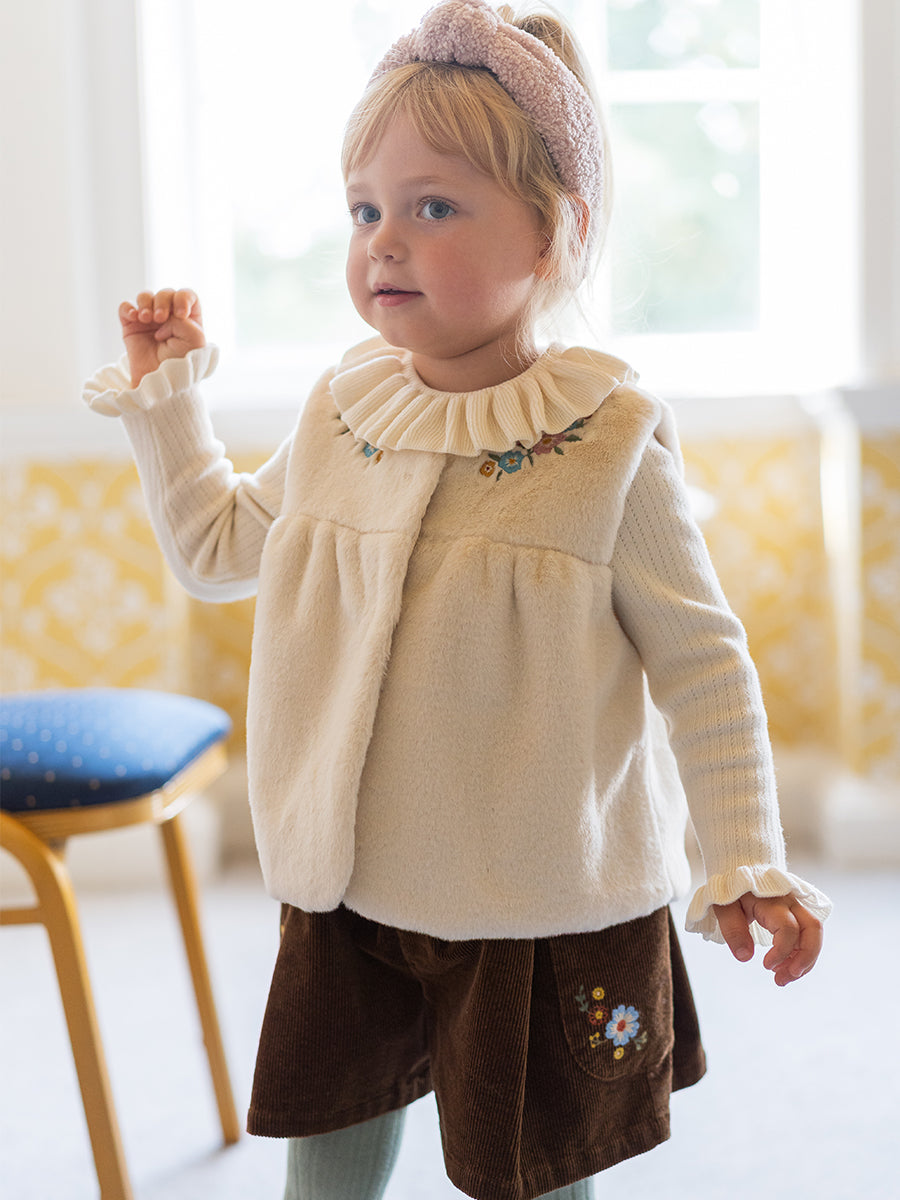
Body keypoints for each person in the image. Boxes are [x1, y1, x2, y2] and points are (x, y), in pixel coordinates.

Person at [83, 3, 832, 1198]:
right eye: (364, 210)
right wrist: (168, 402)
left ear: (553, 233)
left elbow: (703, 664)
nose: (384, 241)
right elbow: (217, 549)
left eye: (433, 208)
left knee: (534, 1171)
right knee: (328, 1159)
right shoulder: (346, 410)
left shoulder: (608, 441)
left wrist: (745, 856)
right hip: (350, 881)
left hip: (536, 897)